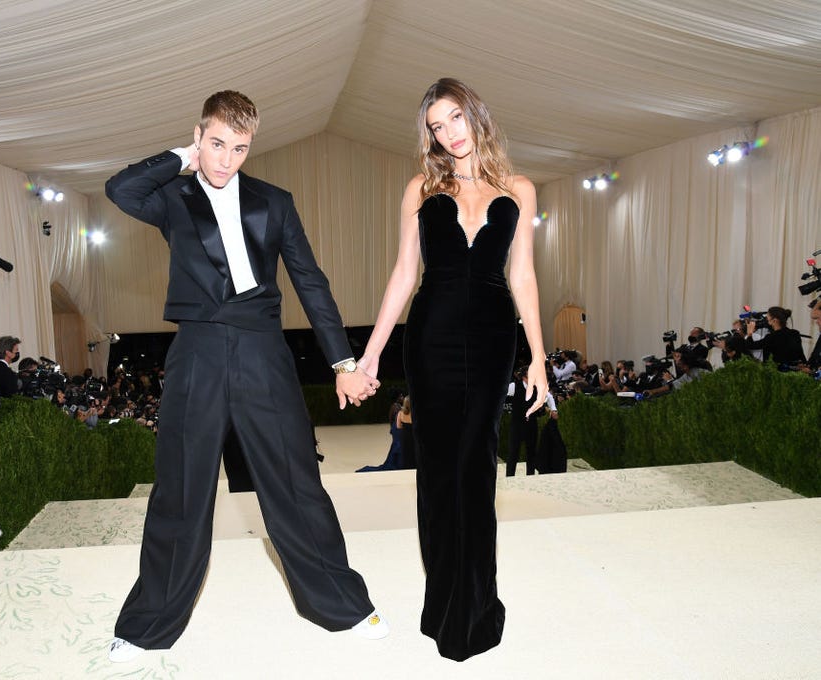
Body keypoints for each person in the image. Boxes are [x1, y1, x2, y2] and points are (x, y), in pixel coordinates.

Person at [104, 90, 387, 663]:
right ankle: (147, 625)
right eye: (216, 144)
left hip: (263, 351)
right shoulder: (173, 197)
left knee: (295, 482)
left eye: (239, 148)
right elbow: (119, 189)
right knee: (181, 489)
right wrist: (180, 158)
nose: (226, 158)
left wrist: (342, 362)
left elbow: (311, 280)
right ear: (199, 135)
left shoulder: (273, 201)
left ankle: (343, 604)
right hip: (198, 350)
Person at [357, 78, 548, 661]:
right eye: (437, 125)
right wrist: (371, 352)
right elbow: (403, 274)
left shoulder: (519, 189)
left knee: (476, 469)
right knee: (439, 474)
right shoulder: (421, 188)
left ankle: (477, 606)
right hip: (432, 340)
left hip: (493, 342)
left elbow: (522, 277)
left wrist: (538, 356)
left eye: (456, 117)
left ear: (477, 116)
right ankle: (443, 604)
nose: (448, 132)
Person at [505, 367, 558, 476]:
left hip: (531, 424)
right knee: (513, 452)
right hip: (517, 424)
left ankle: (530, 476)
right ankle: (510, 477)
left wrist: (553, 409)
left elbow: (549, 397)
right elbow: (501, 394)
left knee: (532, 452)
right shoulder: (514, 386)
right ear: (524, 378)